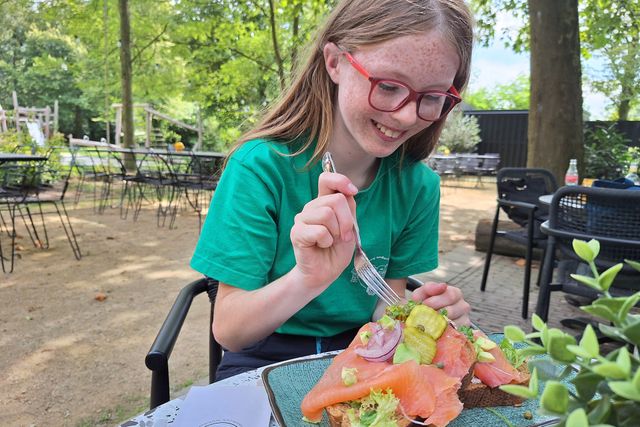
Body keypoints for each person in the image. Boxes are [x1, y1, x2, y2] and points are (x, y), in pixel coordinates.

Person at [191, 0, 474, 380]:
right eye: (388, 86)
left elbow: (380, 312)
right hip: (264, 359)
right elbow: (230, 330)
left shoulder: (419, 187)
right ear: (335, 62)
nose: (407, 115)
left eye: (433, 97)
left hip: (364, 354)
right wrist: (308, 278)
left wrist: (420, 316)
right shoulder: (259, 167)